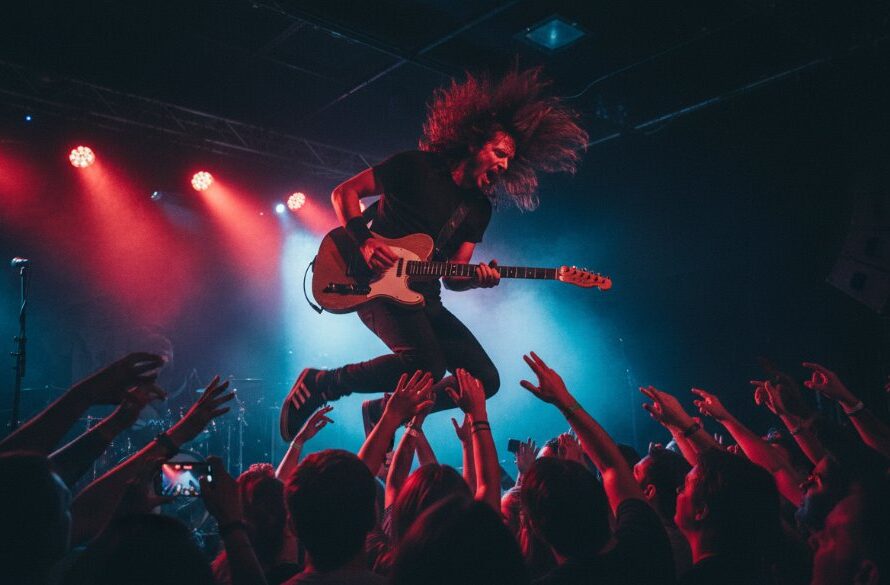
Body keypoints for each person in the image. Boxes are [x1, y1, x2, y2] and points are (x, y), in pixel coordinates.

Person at [280, 68, 589, 438]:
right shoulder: (415, 166)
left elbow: (453, 276)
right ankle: (324, 382)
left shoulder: (478, 209)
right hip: (369, 281)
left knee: (484, 380)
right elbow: (343, 193)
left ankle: (382, 410)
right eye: (500, 152)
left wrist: (478, 281)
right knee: (427, 364)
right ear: (475, 142)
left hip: (423, 295)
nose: (504, 165)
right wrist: (365, 240)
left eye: (510, 160)